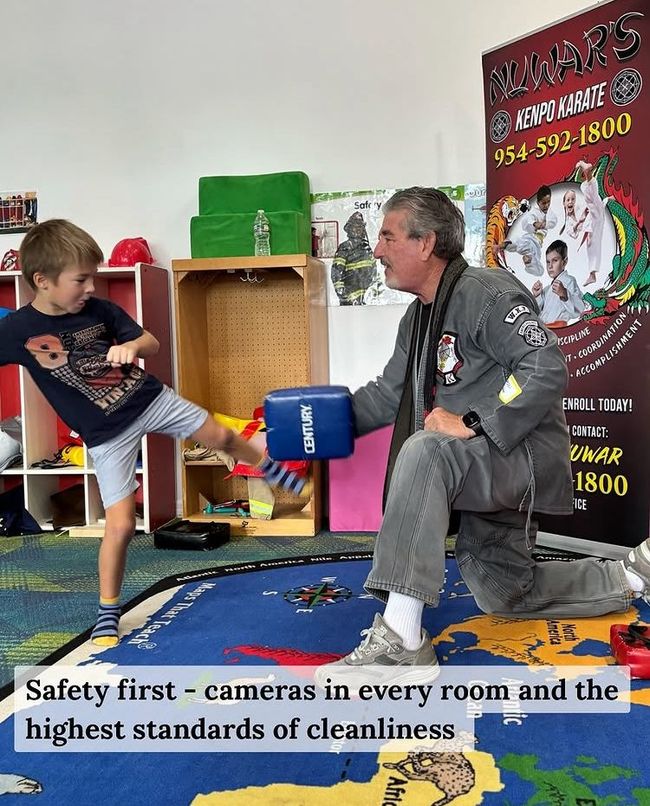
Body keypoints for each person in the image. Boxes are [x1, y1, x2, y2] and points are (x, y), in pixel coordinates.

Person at [315, 187, 649, 688]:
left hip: (521, 458)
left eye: (387, 235)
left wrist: (471, 421)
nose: (378, 249)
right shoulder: (418, 316)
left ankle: (402, 643)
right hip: (480, 467)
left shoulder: (487, 293)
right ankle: (632, 575)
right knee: (505, 593)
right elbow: (388, 395)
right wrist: (306, 431)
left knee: (427, 448)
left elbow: (543, 366)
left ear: (425, 243)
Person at [0, 220, 308, 647]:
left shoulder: (101, 310)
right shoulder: (17, 331)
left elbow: (151, 343)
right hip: (107, 435)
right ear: (42, 281)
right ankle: (108, 611)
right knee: (122, 525)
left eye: (93, 276)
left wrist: (132, 348)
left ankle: (270, 467)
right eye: (80, 279)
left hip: (149, 399)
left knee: (217, 434)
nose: (90, 286)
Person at [532, 239, 586, 327]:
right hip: (544, 328)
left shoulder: (569, 281)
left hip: (558, 329)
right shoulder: (547, 289)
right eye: (548, 262)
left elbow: (580, 309)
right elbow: (537, 311)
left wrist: (564, 295)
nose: (550, 266)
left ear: (564, 262)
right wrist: (537, 295)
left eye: (555, 260)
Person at [575, 160, 610, 287]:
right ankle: (592, 274)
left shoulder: (588, 185)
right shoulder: (584, 186)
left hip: (596, 209)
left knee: (592, 241)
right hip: (595, 210)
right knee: (591, 241)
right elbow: (597, 203)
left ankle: (592, 274)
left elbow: (596, 201)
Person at [331, 211, 378, 305]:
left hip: (367, 300)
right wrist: (344, 296)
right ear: (349, 229)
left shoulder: (366, 248)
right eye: (355, 227)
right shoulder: (345, 247)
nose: (358, 230)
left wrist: (373, 294)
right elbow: (337, 273)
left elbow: (374, 272)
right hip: (350, 301)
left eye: (360, 227)